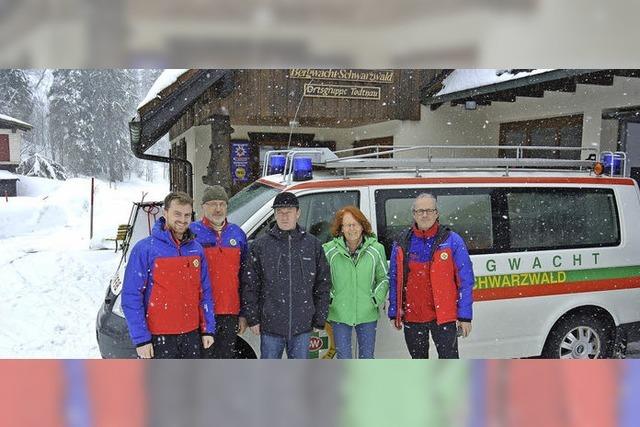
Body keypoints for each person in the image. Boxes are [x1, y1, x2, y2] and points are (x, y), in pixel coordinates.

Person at [122, 191, 216, 359]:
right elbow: (131, 296)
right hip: (159, 338)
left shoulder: (196, 249)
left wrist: (208, 329)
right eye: (177, 213)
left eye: (187, 215)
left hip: (191, 336)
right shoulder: (145, 249)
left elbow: (205, 292)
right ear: (165, 213)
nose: (183, 219)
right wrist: (141, 340)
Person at [241, 191, 331, 359]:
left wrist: (319, 319)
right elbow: (250, 285)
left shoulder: (313, 245)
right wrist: (253, 318)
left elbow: (323, 284)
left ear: (298, 213)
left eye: (288, 211)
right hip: (270, 327)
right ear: (274, 214)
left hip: (302, 326)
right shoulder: (260, 246)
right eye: (279, 212)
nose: (284, 216)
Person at [388, 193, 474, 359]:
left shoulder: (453, 241)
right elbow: (394, 279)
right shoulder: (401, 242)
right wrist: (394, 311)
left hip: (443, 317)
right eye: (420, 211)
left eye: (429, 210)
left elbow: (466, 280)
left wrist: (465, 316)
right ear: (414, 214)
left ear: (437, 213)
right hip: (413, 317)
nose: (424, 215)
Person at [322, 206, 388, 359]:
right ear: (341, 228)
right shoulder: (328, 250)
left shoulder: (377, 249)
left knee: (367, 357)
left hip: (367, 313)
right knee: (343, 357)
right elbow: (322, 280)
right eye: (347, 225)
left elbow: (384, 278)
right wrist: (331, 298)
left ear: (362, 226)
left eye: (355, 224)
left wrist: (375, 299)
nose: (352, 229)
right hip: (339, 313)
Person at [190, 185, 248, 359]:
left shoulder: (237, 234)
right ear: (203, 207)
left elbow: (245, 277)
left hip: (229, 312)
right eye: (213, 204)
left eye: (222, 204)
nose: (218, 209)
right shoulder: (192, 233)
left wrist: (243, 314)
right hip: (200, 312)